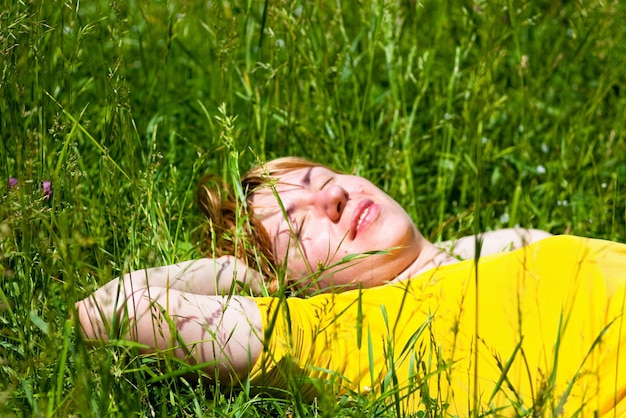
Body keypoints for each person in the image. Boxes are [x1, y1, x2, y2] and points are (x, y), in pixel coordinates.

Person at [75, 157, 625, 416]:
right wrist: (245, 275)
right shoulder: (341, 333)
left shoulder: (503, 244)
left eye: (320, 179)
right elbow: (108, 310)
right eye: (298, 225)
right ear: (292, 283)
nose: (329, 199)